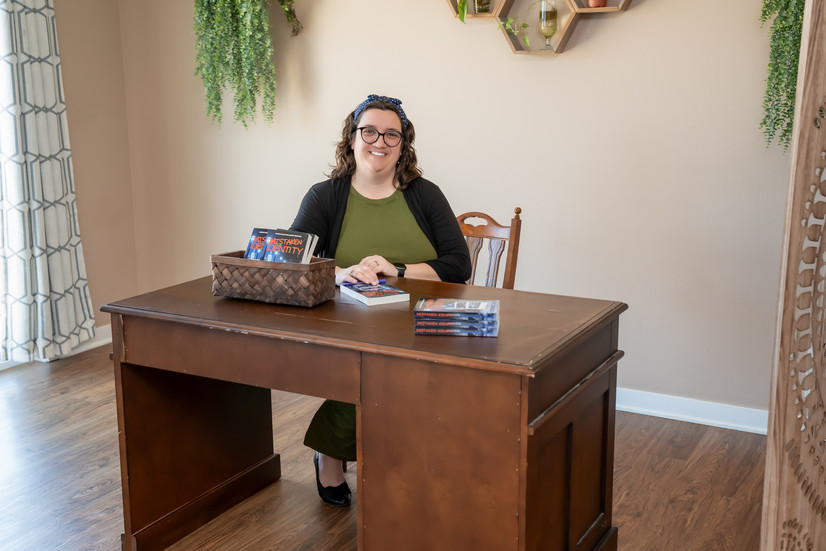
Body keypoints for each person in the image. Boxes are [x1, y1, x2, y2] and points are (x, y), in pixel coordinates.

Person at [289, 94, 472, 506]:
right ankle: (332, 454)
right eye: (369, 130)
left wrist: (399, 270)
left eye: (393, 134)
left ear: (403, 145)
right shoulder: (325, 196)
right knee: (366, 367)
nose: (380, 141)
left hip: (423, 320)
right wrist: (340, 272)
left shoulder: (425, 194)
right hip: (349, 321)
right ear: (351, 139)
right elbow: (295, 259)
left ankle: (411, 465)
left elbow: (459, 264)